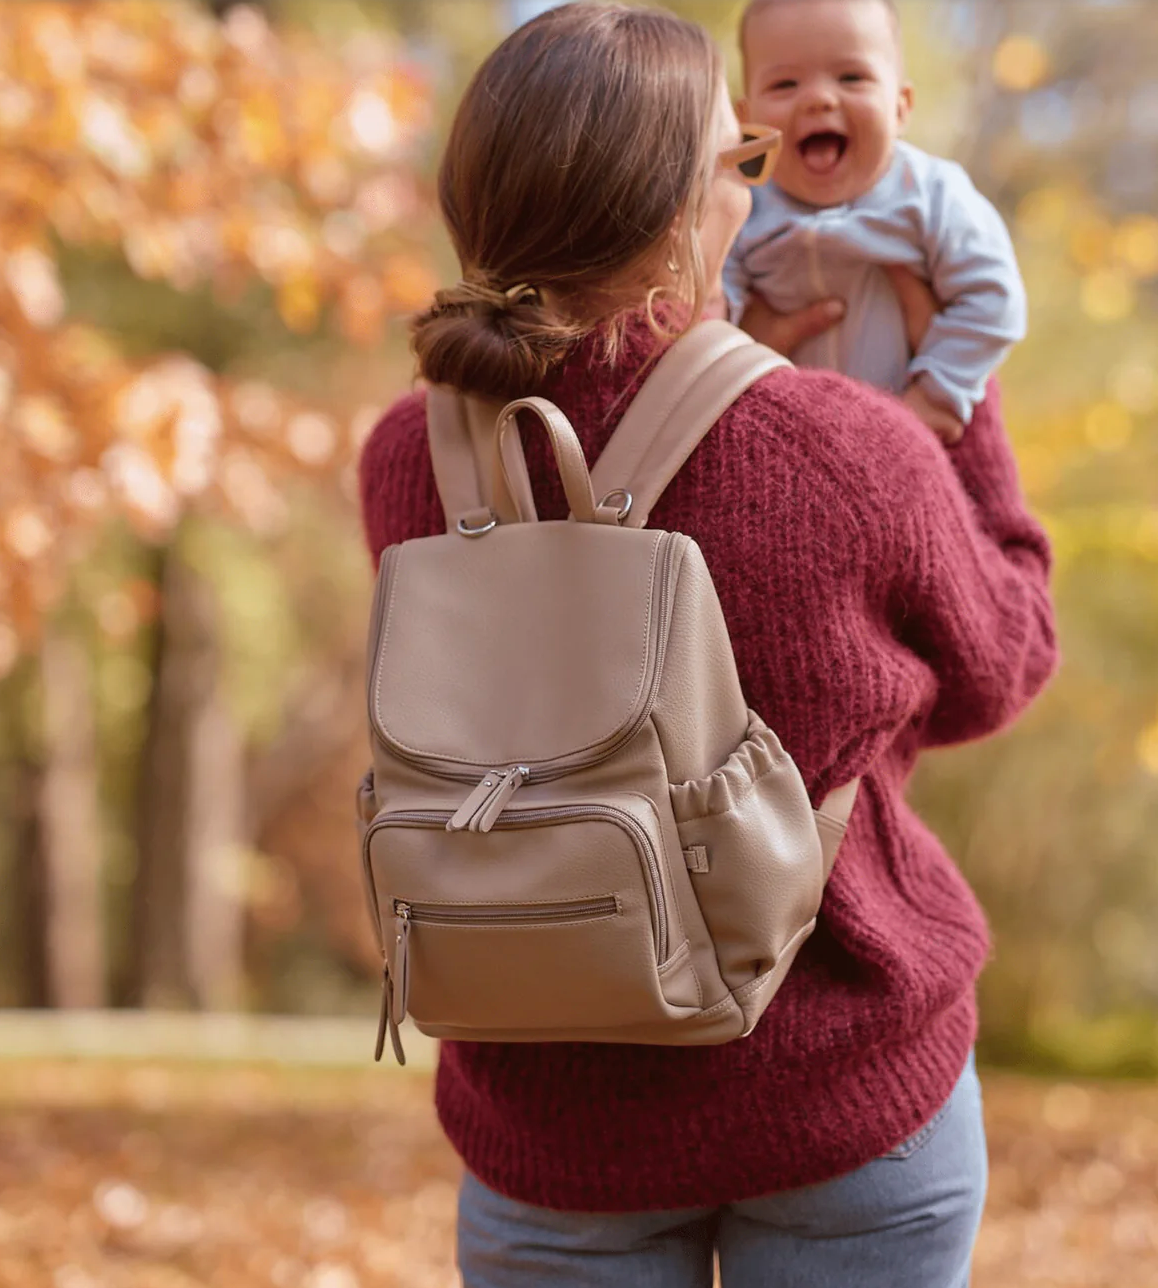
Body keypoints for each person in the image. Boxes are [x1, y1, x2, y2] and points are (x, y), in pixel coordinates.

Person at [357, 5, 1056, 1285]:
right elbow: (998, 663)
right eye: (735, 169)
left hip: (545, 1119)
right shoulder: (845, 448)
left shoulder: (413, 456)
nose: (752, 194)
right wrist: (956, 382)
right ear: (682, 214)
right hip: (839, 1096)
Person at [726, 0, 1027, 443]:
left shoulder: (929, 193)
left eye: (852, 77)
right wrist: (733, 348)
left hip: (901, 434)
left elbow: (994, 297)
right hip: (776, 440)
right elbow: (705, 306)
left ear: (901, 107)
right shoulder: (740, 205)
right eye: (785, 83)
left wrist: (937, 393)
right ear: (747, 122)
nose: (818, 98)